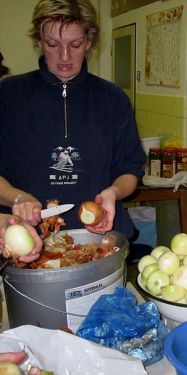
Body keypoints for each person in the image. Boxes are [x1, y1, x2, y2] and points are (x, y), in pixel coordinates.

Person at [0, 0, 146, 241]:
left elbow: (129, 169)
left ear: (88, 42)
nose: (64, 56)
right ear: (39, 41)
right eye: (53, 44)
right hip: (27, 242)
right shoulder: (8, 95)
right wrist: (17, 198)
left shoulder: (112, 98)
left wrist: (113, 192)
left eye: (75, 45)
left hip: (100, 238)